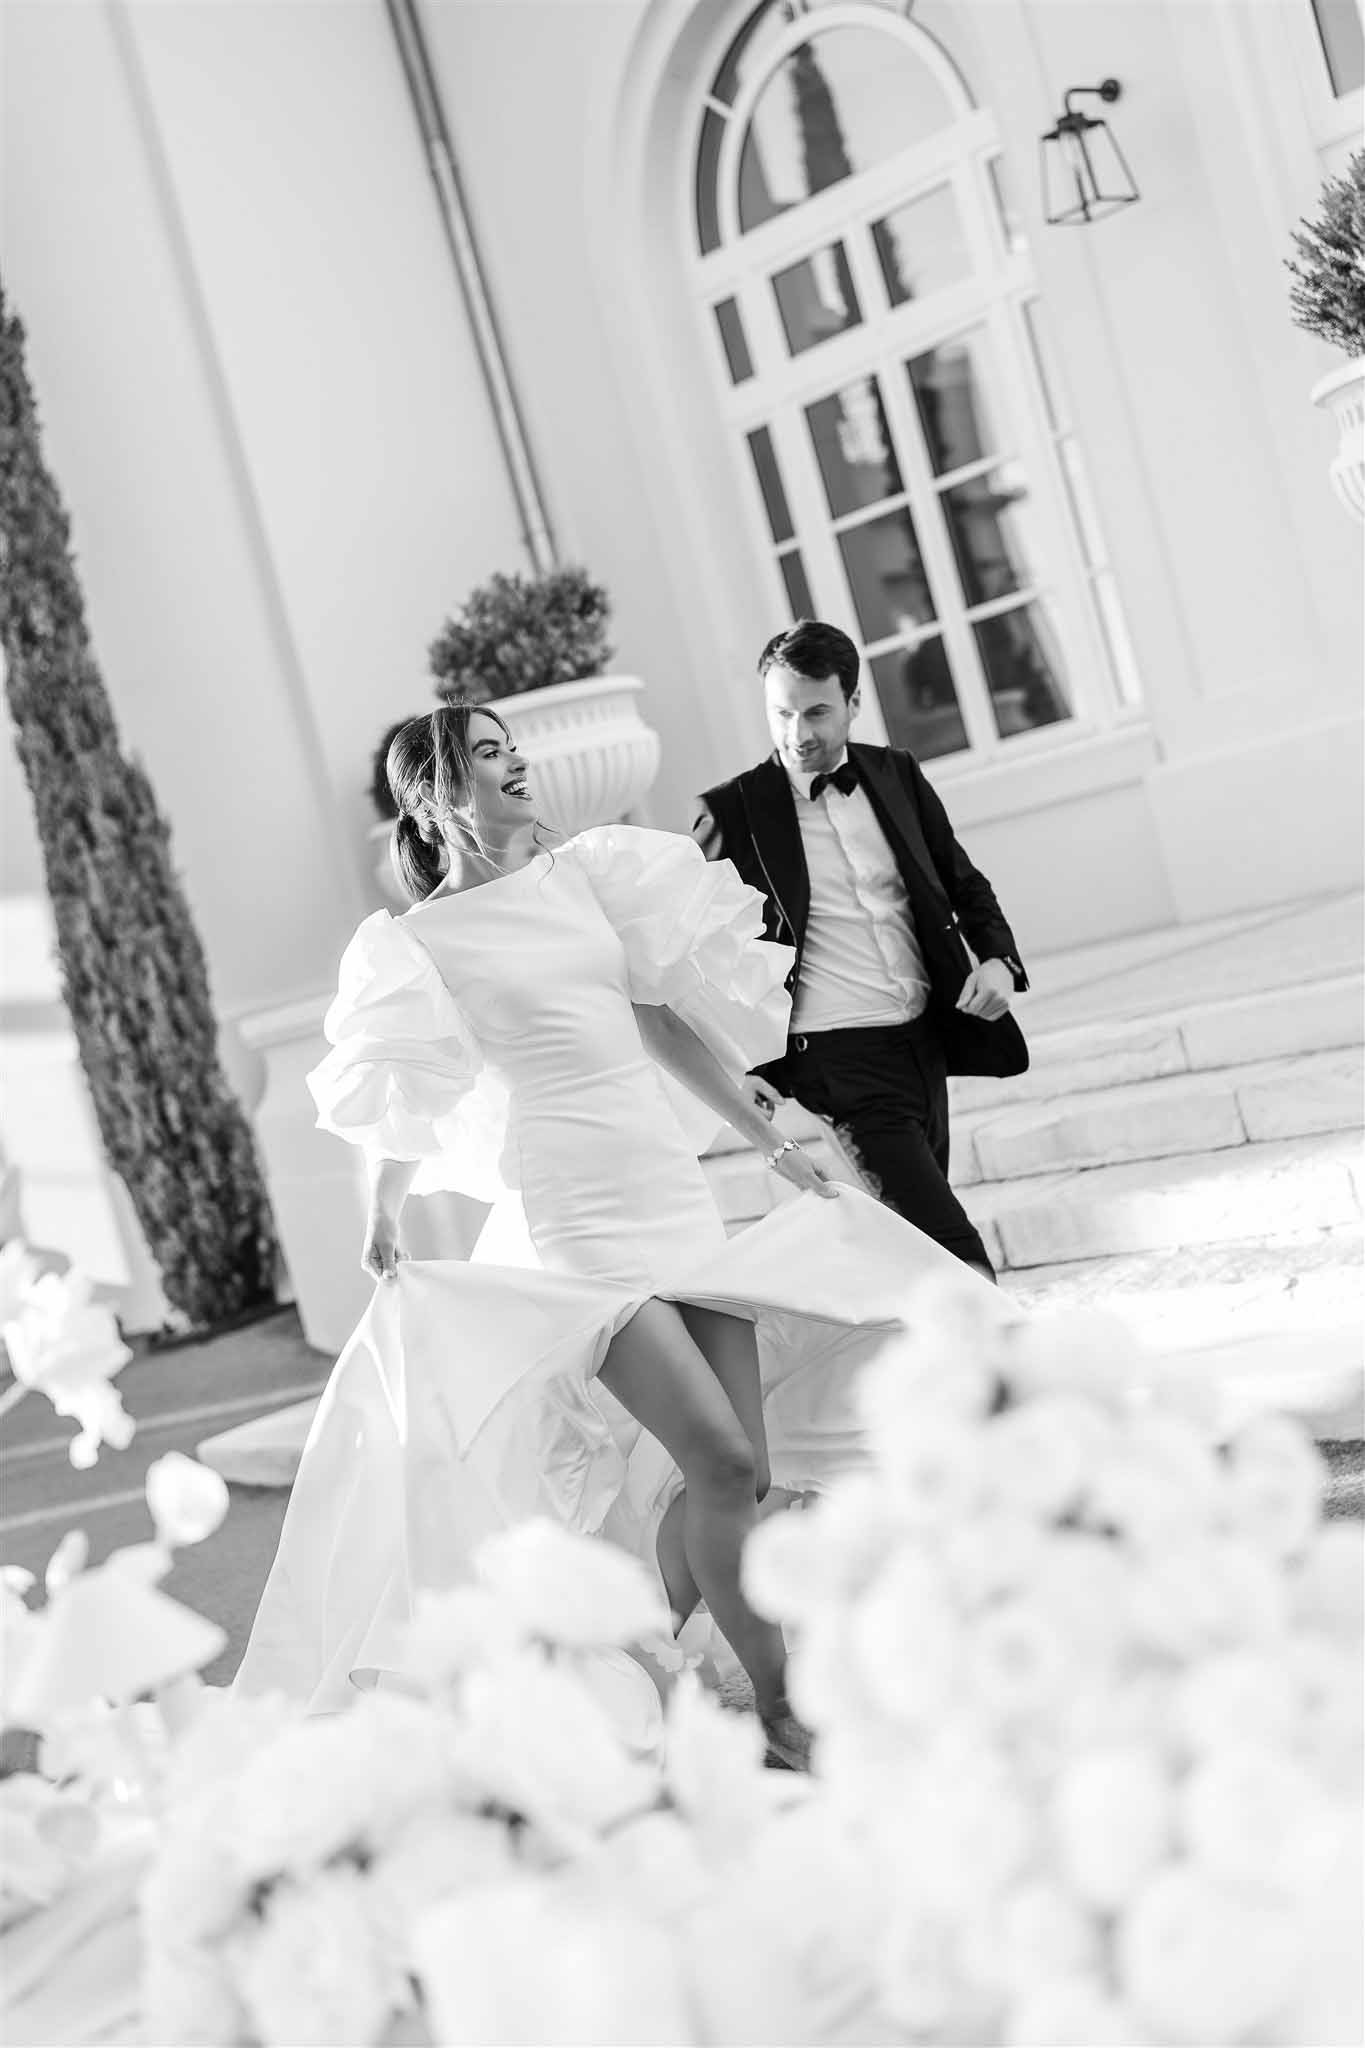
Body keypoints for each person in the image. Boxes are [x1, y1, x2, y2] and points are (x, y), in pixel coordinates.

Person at [235, 703, 989, 1763]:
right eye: (491, 754)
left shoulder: (585, 876)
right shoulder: (417, 942)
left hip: (665, 1186)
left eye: (512, 748)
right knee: (718, 1456)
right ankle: (779, 1710)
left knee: (744, 1480)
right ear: (439, 796)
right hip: (574, 1217)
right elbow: (406, 1084)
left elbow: (661, 1020)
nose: (517, 765)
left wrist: (766, 1136)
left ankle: (613, 1654)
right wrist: (382, 1211)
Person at [692, 619, 1029, 1281]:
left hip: (922, 1040)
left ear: (852, 702)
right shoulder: (731, 811)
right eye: (781, 714)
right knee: (953, 1253)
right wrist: (741, 1057)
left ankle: (921, 1375)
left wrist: (995, 959)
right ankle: (1006, 1367)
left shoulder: (895, 772)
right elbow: (700, 946)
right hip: (837, 1064)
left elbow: (958, 878)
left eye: (816, 711)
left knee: (913, 1253)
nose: (797, 733)